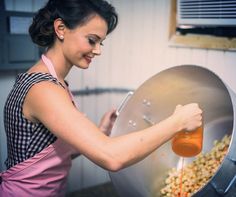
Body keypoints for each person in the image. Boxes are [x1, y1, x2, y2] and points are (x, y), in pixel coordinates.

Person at [0, 0, 203, 196]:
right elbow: (112, 157)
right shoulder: (43, 89)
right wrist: (178, 122)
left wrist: (99, 132)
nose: (97, 50)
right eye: (91, 40)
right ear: (60, 28)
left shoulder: (56, 82)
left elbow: (53, 156)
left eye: (101, 42)